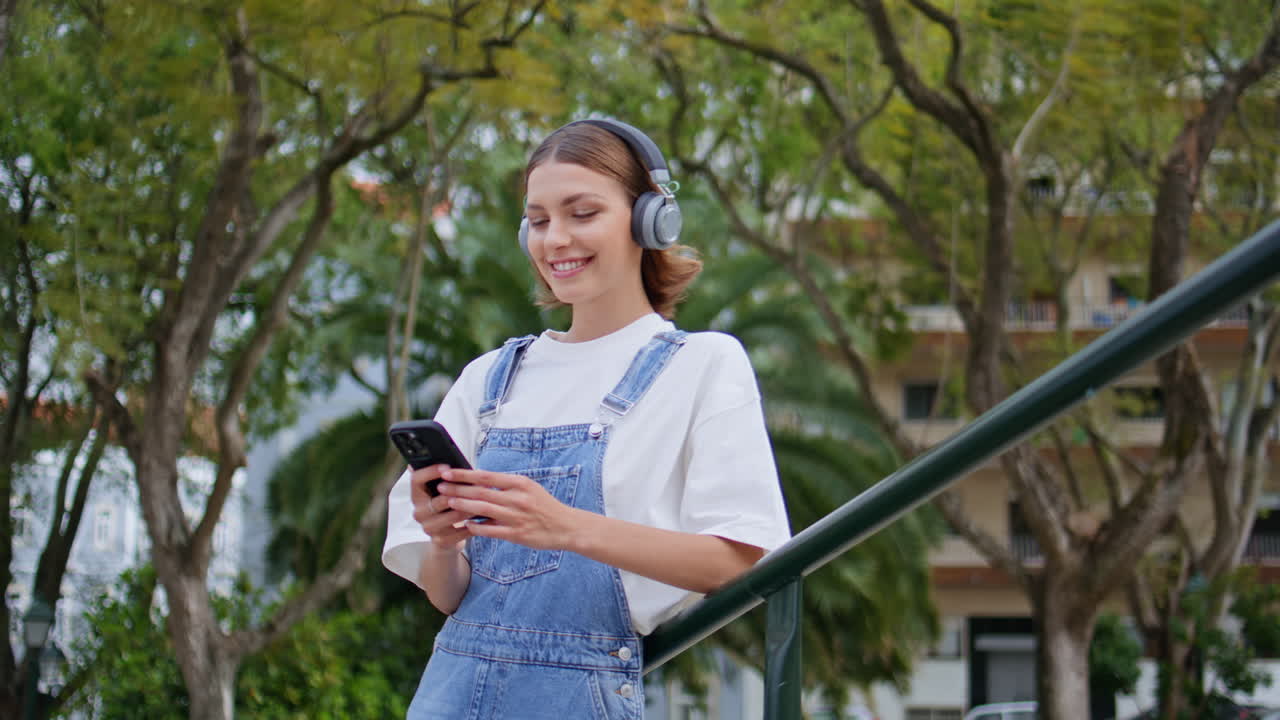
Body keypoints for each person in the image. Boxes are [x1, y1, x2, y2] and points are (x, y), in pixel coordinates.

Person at [382, 118, 791, 719]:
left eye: (582, 213)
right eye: (540, 220)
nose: (555, 240)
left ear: (651, 219)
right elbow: (450, 598)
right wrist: (444, 540)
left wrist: (565, 526)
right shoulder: (490, 378)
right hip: (447, 696)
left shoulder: (703, 364)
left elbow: (738, 557)